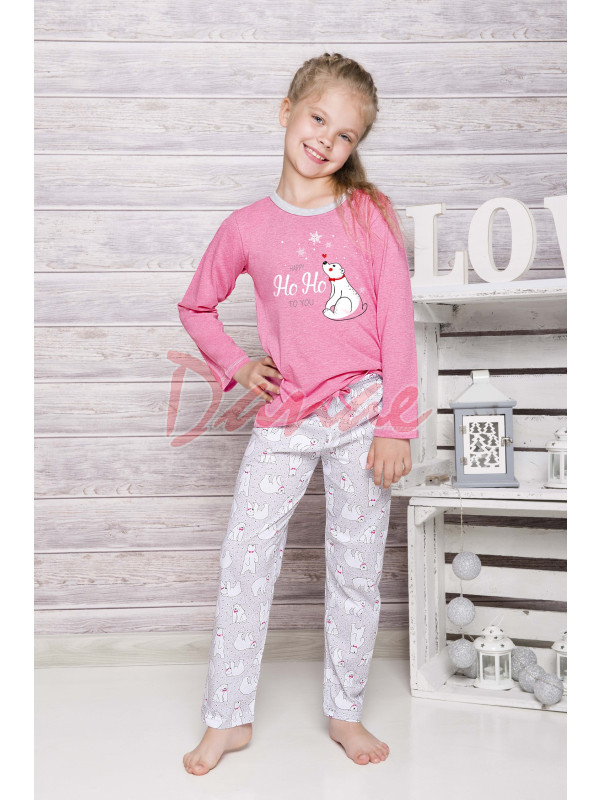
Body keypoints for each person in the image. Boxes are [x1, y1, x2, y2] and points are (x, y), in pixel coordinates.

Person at [178, 52, 419, 775]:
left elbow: (398, 321)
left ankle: (345, 711)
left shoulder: (368, 214)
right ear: (287, 111)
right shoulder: (247, 226)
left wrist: (397, 426)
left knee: (355, 568)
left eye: (346, 135)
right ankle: (227, 719)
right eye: (318, 119)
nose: (327, 141)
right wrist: (237, 365)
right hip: (285, 419)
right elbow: (196, 306)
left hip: (363, 412)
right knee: (245, 562)